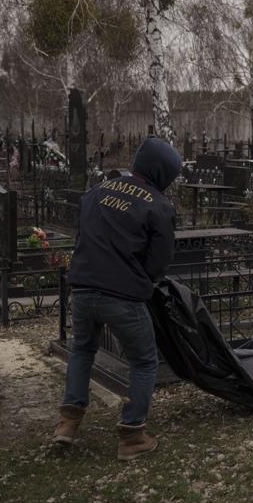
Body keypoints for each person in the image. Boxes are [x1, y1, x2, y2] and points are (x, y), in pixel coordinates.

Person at [53, 137, 181, 461]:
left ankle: (68, 423)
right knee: (144, 361)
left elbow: (83, 236)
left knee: (82, 350)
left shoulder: (96, 192)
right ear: (163, 172)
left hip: (82, 289)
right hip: (123, 296)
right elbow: (160, 260)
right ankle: (132, 435)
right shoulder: (159, 205)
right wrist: (144, 281)